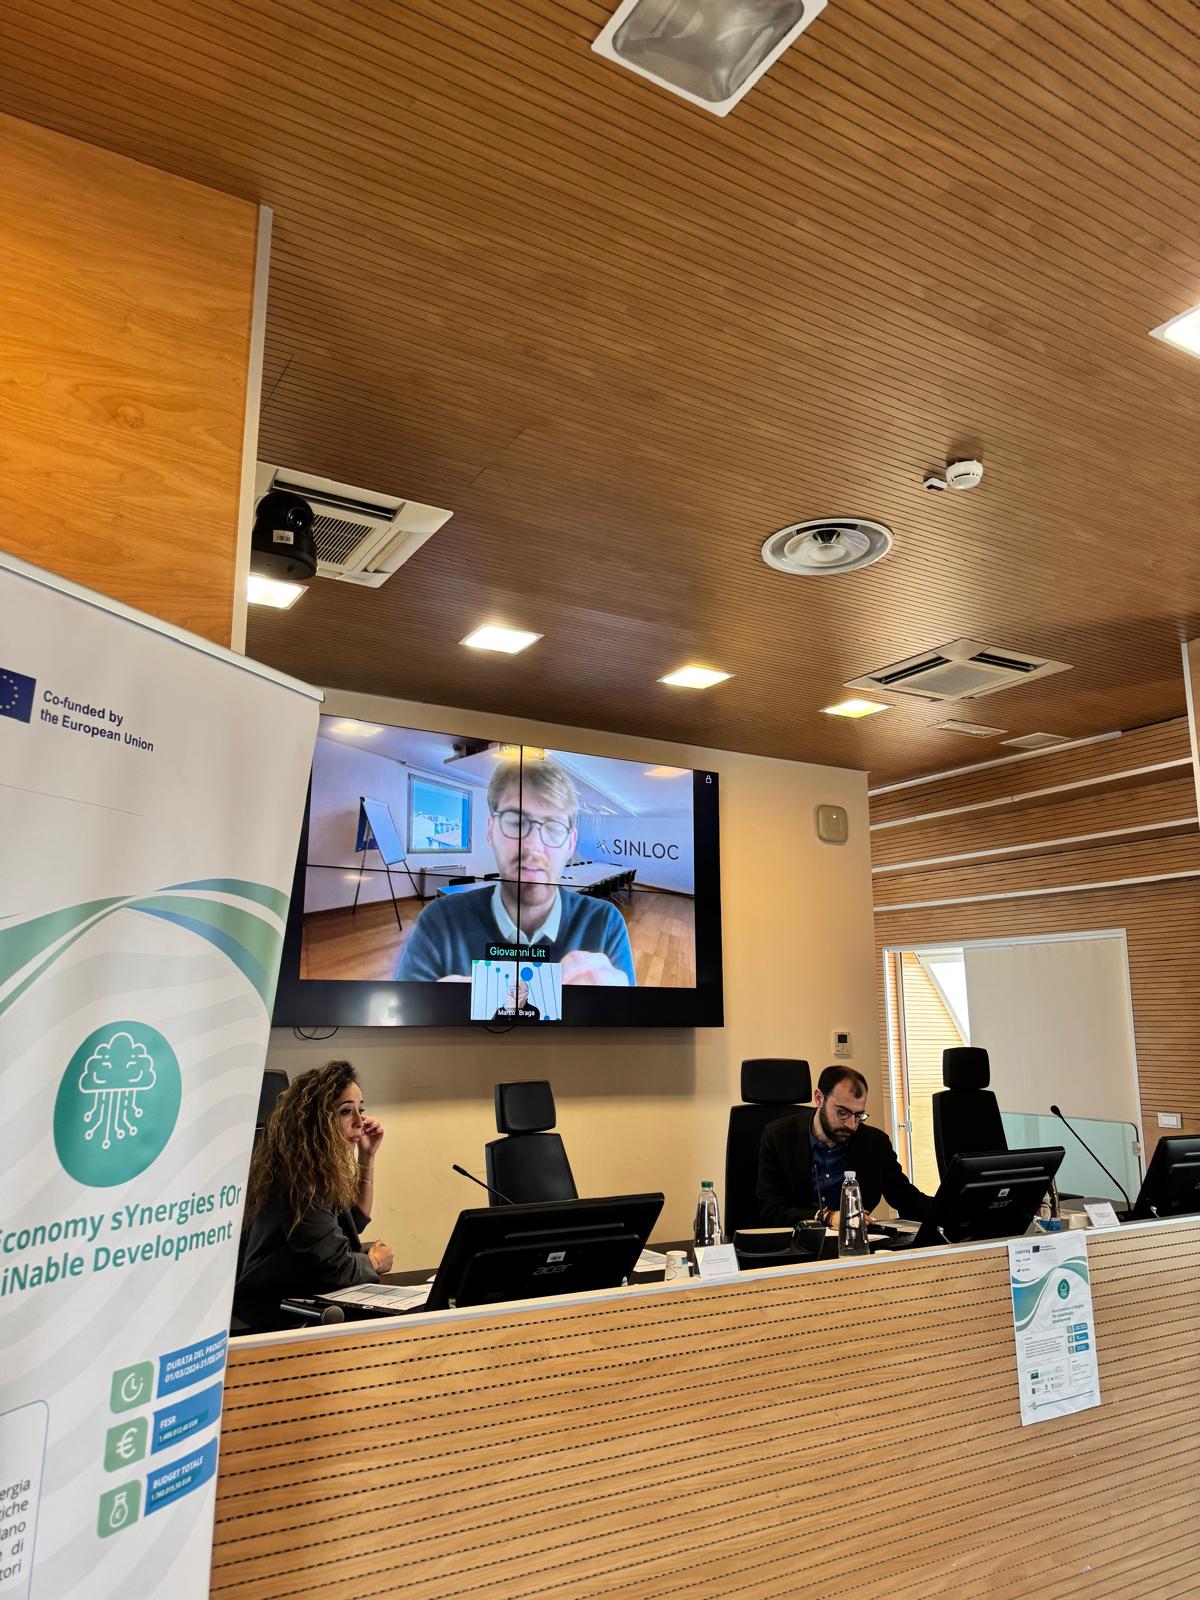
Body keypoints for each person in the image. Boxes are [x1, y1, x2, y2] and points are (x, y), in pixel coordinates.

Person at [395, 754, 636, 985]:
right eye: (516, 822)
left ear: (571, 843)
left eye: (553, 827)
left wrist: (616, 1009)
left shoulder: (605, 924)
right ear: (491, 830)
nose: (533, 845)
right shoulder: (439, 921)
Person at [234, 1060, 394, 1329]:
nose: (359, 1122)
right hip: (271, 1315)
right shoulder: (299, 1183)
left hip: (295, 1301)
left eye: (361, 1110)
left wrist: (367, 1156)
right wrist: (375, 1261)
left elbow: (355, 1221)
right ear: (317, 1121)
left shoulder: (313, 1168)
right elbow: (338, 1269)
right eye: (346, 1111)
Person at [756, 1065, 932, 1229]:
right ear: (819, 1098)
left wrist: (945, 1207)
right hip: (798, 1243)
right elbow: (771, 1210)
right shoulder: (779, 1137)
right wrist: (827, 1217)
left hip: (857, 1244)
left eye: (858, 1115)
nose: (851, 1124)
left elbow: (907, 1199)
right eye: (842, 1113)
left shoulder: (875, 1143)